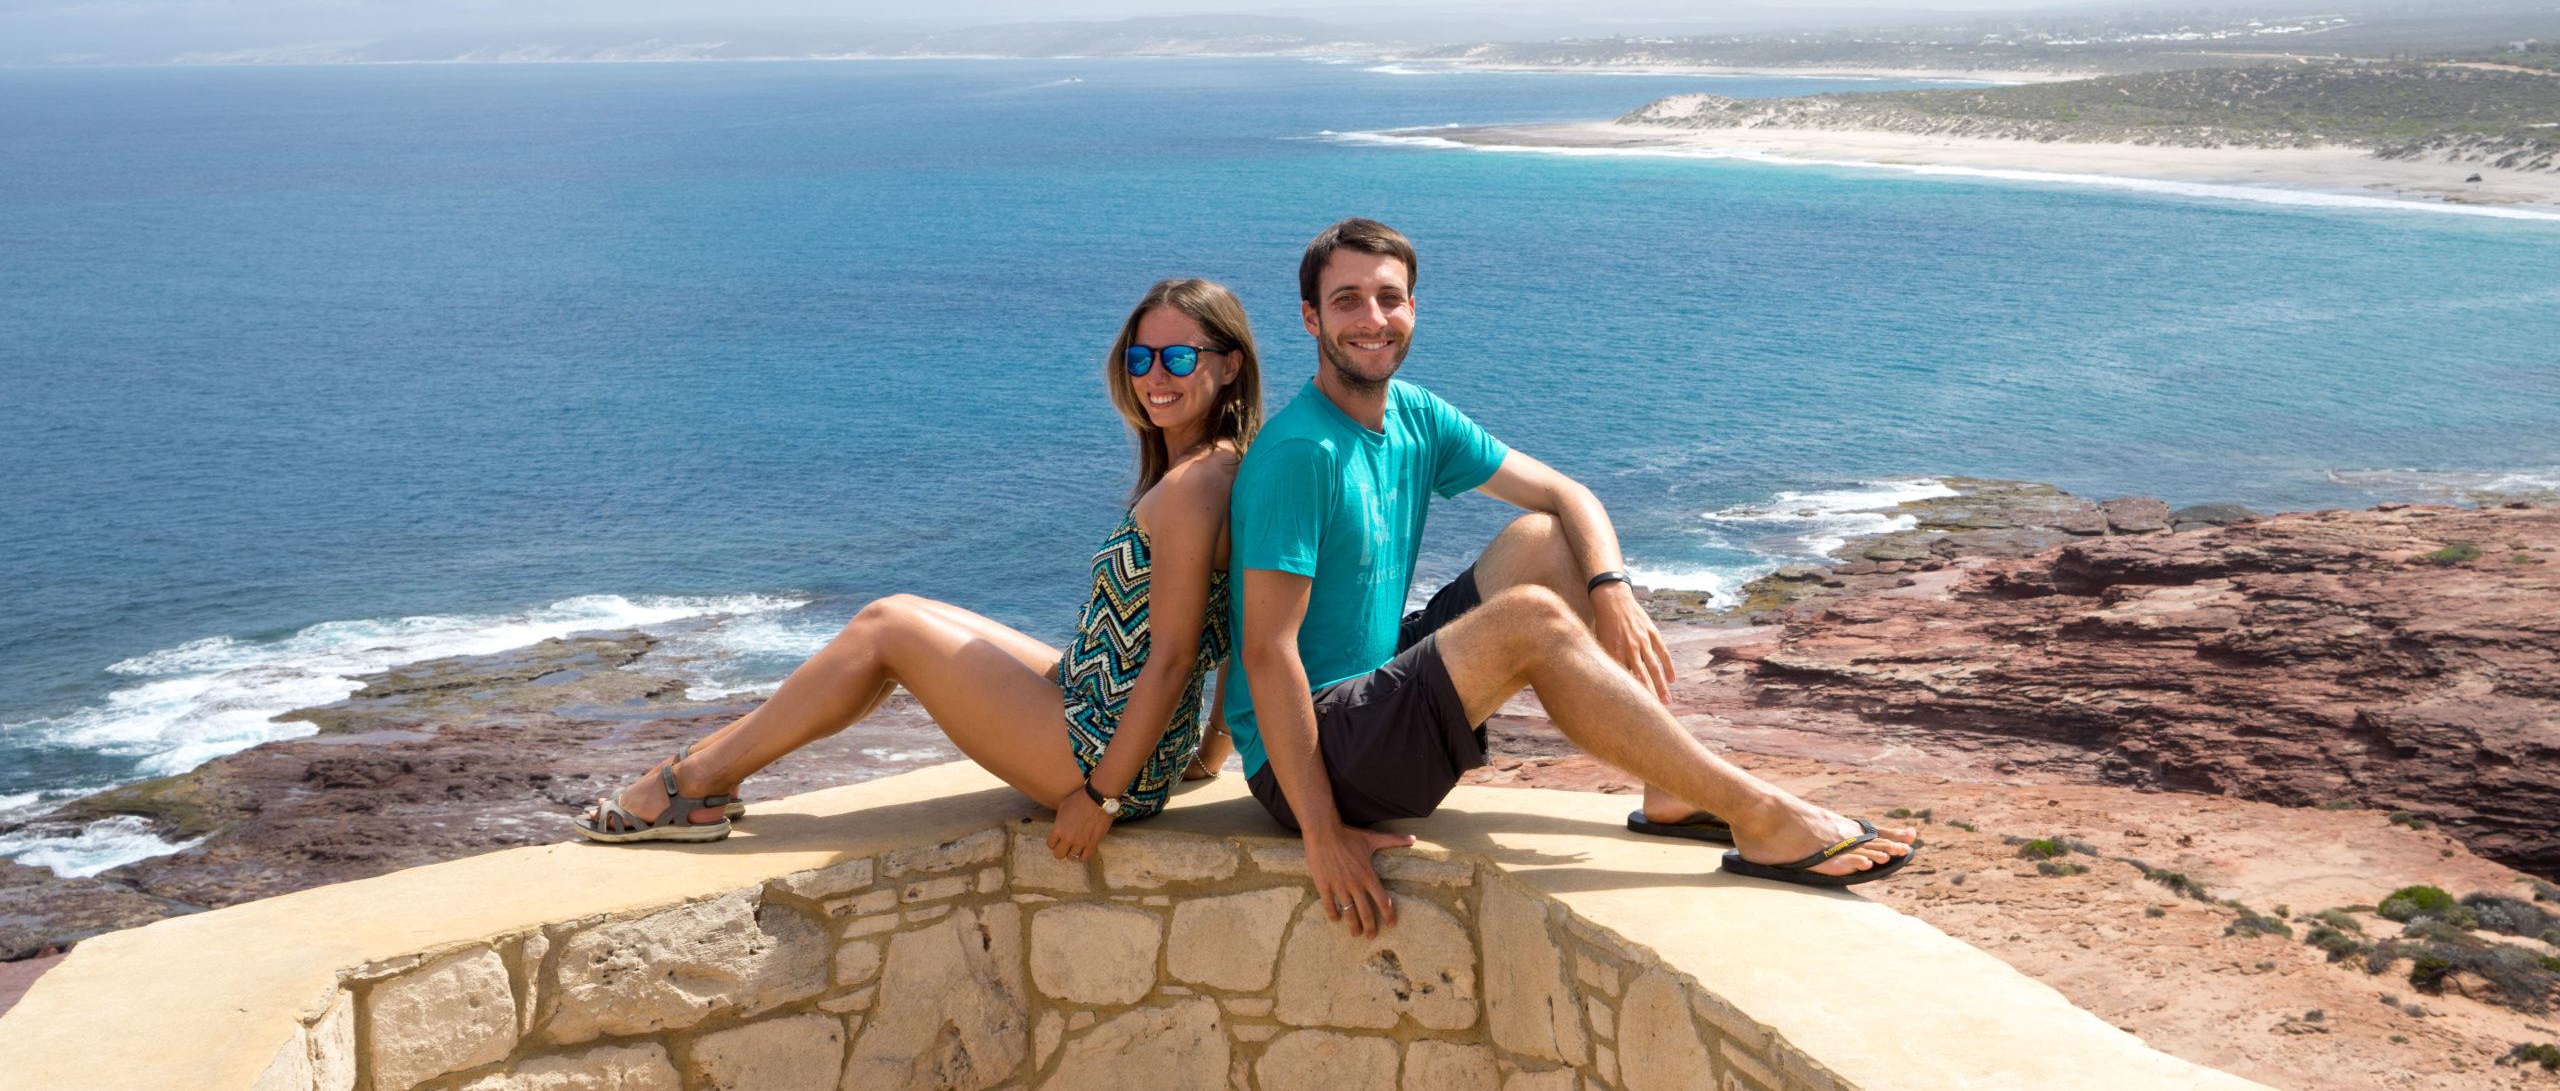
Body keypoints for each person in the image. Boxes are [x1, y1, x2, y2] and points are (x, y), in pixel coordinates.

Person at [1229, 219, 1916, 936]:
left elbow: (1567, 495)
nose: (1372, 319)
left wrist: (1609, 586)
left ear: (1413, 308)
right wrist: (1320, 833)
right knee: (1530, 617)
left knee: (1549, 541)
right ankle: (1760, 814)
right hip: (1308, 756)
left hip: (1373, 685)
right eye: (1346, 300)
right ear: (1311, 317)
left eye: (1389, 297)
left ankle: (1671, 793)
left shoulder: (1414, 416)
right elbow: (1266, 652)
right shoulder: (1301, 453)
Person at [574, 277, 1258, 863]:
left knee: (887, 628)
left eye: (1177, 356)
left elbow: (1171, 657)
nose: (1154, 376)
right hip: (1124, 729)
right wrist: (1205, 753)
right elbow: (1237, 621)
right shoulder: (1228, 467)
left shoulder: (1196, 485)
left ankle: (684, 782)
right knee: (899, 610)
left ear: (1229, 365)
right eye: (1141, 357)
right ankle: (706, 776)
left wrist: (1101, 796)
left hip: (1098, 751)